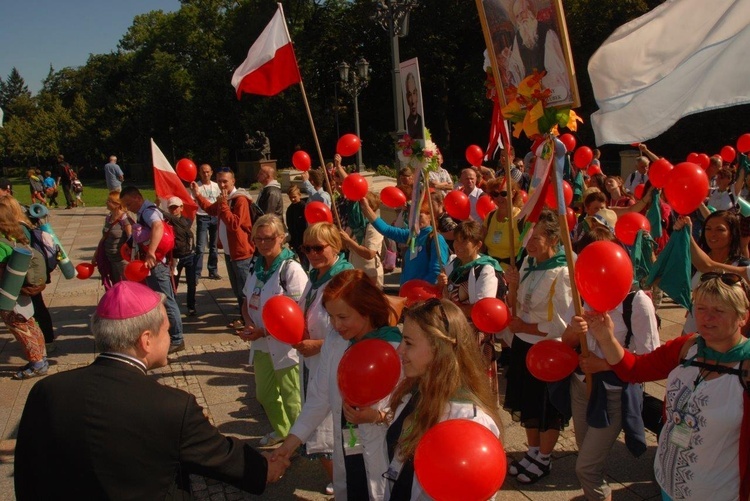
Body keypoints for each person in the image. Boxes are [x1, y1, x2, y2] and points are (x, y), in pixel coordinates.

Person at [14, 281, 289, 499]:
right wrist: (266, 468)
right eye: (167, 331)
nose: (170, 339)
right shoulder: (171, 406)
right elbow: (220, 456)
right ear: (146, 340)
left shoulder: (46, 390)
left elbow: (26, 472)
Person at [585, 274, 750, 500]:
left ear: (743, 317)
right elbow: (635, 370)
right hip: (667, 483)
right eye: (701, 308)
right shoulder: (688, 346)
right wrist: (606, 338)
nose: (707, 318)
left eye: (719, 311)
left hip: (717, 493)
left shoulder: (746, 368)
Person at [272, 269, 401, 500]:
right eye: (331, 317)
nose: (335, 325)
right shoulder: (335, 340)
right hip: (347, 445)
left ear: (367, 310)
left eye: (342, 317)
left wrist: (376, 416)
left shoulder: (395, 349)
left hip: (382, 451)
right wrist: (289, 445)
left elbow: (407, 410)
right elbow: (319, 396)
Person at [563, 227, 660, 500]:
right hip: (581, 387)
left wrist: (604, 364)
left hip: (614, 394)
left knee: (585, 468)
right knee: (587, 453)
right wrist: (574, 329)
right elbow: (565, 341)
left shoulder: (636, 303)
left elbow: (651, 360)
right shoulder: (581, 294)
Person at [384, 299, 503, 498]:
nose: (399, 350)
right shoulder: (415, 389)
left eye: (409, 342)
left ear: (439, 348)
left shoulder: (469, 424)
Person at [503, 208, 572, 484]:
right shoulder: (528, 264)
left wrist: (525, 328)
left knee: (546, 407)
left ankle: (544, 458)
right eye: (530, 236)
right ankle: (532, 451)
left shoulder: (562, 272)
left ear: (554, 240)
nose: (530, 242)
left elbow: (561, 325)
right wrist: (512, 286)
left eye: (538, 237)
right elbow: (517, 306)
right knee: (527, 402)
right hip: (523, 345)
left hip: (547, 350)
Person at [292, 222, 354, 495]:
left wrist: (318, 343)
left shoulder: (344, 279)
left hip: (339, 364)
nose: (312, 253)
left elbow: (355, 325)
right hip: (314, 362)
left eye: (319, 247)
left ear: (336, 246)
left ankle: (347, 483)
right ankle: (341, 479)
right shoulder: (316, 276)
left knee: (334, 426)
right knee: (320, 419)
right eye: (307, 248)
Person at [239, 215, 307, 447]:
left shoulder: (291, 269)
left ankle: (299, 442)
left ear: (281, 238)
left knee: (292, 398)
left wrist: (264, 330)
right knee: (264, 395)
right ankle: (283, 430)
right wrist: (248, 321)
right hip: (260, 343)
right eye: (258, 239)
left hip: (285, 347)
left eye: (268, 238)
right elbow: (246, 299)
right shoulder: (255, 265)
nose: (262, 244)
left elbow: (299, 311)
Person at [119, 186, 185, 353]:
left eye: (128, 203)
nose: (128, 207)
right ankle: (169, 334)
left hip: (157, 265)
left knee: (167, 301)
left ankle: (178, 338)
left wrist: (151, 253)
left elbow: (157, 227)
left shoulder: (148, 212)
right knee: (160, 300)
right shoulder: (144, 212)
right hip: (154, 265)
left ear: (137, 198)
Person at [191, 168, 255, 327]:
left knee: (245, 290)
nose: (221, 184)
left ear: (233, 181)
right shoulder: (225, 198)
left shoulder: (239, 199)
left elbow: (234, 224)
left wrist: (224, 204)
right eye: (219, 181)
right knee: (237, 290)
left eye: (225, 181)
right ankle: (244, 317)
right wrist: (197, 194)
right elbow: (211, 210)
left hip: (241, 253)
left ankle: (250, 321)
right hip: (229, 252)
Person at [675, 211, 750, 335]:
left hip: (724, 342)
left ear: (732, 234)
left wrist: (688, 234)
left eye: (720, 230)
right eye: (708, 229)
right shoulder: (693, 262)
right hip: (691, 332)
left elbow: (706, 265)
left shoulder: (743, 266)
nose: (712, 234)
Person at [0, 196, 49, 379]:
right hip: (23, 290)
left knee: (20, 329)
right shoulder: (16, 235)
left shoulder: (1, 243)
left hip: (9, 293)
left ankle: (37, 364)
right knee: (31, 324)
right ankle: (41, 359)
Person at [361, 196, 449, 286]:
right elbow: (386, 230)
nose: (416, 219)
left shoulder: (436, 239)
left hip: (423, 295)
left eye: (420, 215)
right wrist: (366, 209)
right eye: (413, 216)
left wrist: (418, 291)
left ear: (430, 216)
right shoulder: (411, 235)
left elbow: (436, 273)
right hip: (407, 293)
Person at [500, 0, 570, 104]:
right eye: (518, 15)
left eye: (523, 12)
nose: (522, 17)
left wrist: (537, 85)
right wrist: (509, 67)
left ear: (531, 10)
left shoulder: (547, 33)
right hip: (530, 99)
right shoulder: (518, 37)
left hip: (549, 95)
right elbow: (516, 67)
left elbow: (557, 72)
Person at [438, 220, 503, 319]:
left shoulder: (485, 270)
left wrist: (450, 310)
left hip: (471, 330)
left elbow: (483, 309)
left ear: (478, 245)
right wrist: (440, 284)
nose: (458, 245)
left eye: (464, 241)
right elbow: (442, 293)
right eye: (456, 240)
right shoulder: (453, 263)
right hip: (452, 326)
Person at [160, 196, 197, 316]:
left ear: (181, 208)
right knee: (173, 284)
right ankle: (173, 307)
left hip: (189, 256)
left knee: (191, 283)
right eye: (171, 208)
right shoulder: (165, 222)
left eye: (176, 207)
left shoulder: (186, 221)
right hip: (175, 257)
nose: (174, 210)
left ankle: (191, 306)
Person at [341, 193, 385, 288]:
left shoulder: (374, 226)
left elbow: (369, 254)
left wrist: (348, 241)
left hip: (369, 273)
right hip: (355, 271)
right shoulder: (354, 224)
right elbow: (343, 245)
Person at [482, 177, 524, 270]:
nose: (499, 198)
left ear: (512, 193)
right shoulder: (490, 216)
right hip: (489, 270)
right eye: (495, 194)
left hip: (511, 272)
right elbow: (481, 244)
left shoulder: (521, 218)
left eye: (503, 193)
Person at [92, 191, 132, 286]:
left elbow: (131, 239)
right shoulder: (108, 218)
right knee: (116, 286)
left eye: (109, 201)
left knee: (127, 287)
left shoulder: (125, 220)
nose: (106, 202)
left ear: (117, 204)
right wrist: (96, 254)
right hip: (110, 259)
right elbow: (104, 238)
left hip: (122, 261)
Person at [193, 163, 222, 280]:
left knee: (214, 247)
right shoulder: (196, 186)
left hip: (215, 218)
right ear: (199, 173)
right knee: (200, 247)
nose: (206, 174)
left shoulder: (216, 186)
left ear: (211, 173)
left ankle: (213, 270)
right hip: (202, 217)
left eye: (207, 172)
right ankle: (196, 273)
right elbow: (191, 202)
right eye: (203, 172)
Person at [286, 185, 308, 266]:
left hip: (305, 241)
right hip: (296, 243)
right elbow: (290, 227)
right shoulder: (290, 209)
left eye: (294, 197)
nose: (292, 199)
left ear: (299, 195)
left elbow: (307, 225)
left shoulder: (304, 207)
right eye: (290, 197)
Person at [404, 72, 423, 139]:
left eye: (414, 93)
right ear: (406, 98)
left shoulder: (422, 121)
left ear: (417, 95)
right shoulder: (406, 124)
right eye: (409, 95)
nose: (412, 101)